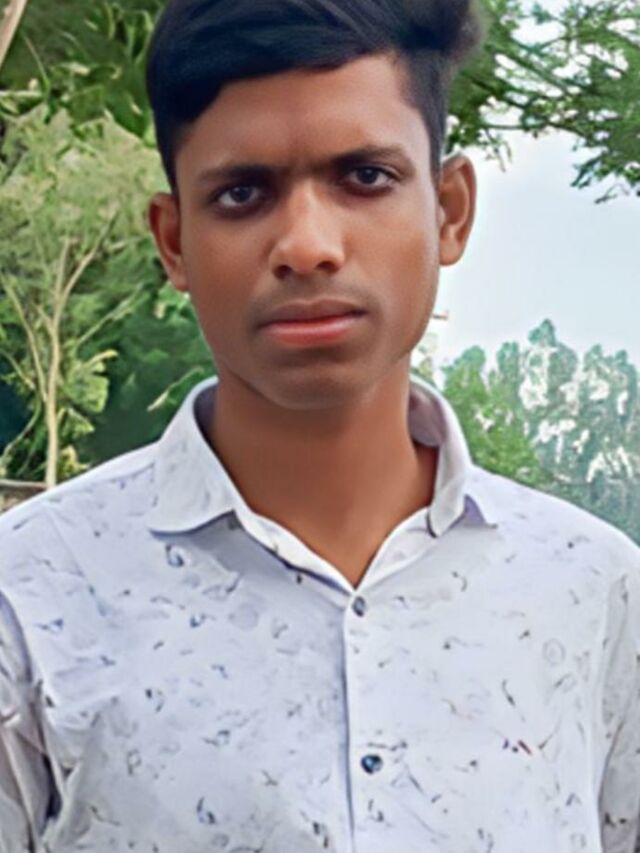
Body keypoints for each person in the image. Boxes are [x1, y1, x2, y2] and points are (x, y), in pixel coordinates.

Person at [1, 0, 639, 849]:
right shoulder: (31, 592)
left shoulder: (594, 592)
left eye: (364, 177)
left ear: (449, 211)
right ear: (174, 241)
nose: (306, 245)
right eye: (242, 193)